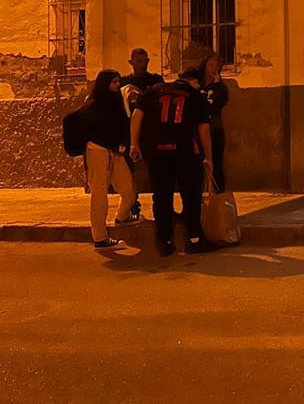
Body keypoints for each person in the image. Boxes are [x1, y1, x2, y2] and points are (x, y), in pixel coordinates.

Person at [130, 68, 216, 257]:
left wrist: (134, 144)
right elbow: (204, 130)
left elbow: (137, 116)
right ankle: (194, 239)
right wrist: (208, 158)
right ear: (194, 82)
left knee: (162, 196)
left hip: (157, 152)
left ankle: (165, 241)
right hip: (186, 152)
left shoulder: (153, 91)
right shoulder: (196, 96)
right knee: (191, 196)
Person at [80, 70, 137, 249]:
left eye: (118, 82)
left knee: (128, 189)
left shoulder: (116, 101)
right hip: (98, 152)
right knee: (99, 194)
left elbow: (122, 124)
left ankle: (122, 216)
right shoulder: (93, 104)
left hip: (115, 152)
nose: (117, 86)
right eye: (114, 82)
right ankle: (100, 237)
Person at [120, 47, 164, 220]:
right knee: (129, 172)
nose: (142, 64)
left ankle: (160, 207)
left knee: (157, 169)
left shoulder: (155, 80)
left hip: (151, 130)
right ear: (131, 62)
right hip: (130, 131)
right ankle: (133, 205)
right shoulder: (124, 82)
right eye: (138, 61)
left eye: (144, 61)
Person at [198, 53, 230, 191]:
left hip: (214, 129)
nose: (214, 68)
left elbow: (218, 103)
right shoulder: (197, 85)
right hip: (198, 130)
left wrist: (217, 85)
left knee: (216, 161)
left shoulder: (221, 88)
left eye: (216, 66)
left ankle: (218, 192)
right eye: (211, 65)